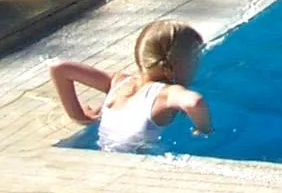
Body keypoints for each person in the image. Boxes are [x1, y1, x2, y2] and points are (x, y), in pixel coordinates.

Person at [48, 20, 211, 153]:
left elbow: (59, 68)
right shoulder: (168, 93)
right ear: (178, 65)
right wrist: (203, 130)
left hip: (103, 152)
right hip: (138, 159)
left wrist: (78, 116)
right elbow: (195, 102)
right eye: (195, 57)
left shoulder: (118, 82)